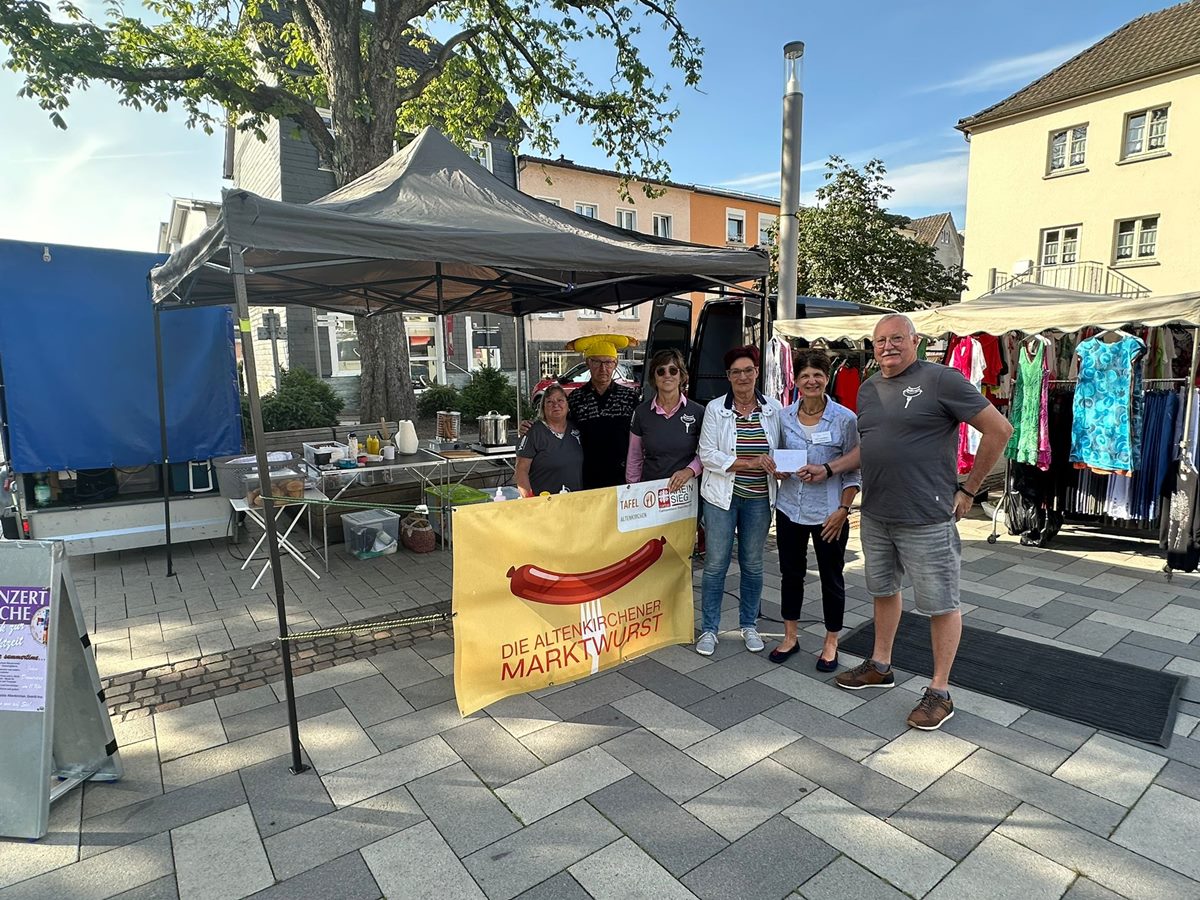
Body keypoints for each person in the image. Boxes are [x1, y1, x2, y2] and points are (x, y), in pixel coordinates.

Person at [801, 314, 1012, 730]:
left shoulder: (942, 379)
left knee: (940, 604)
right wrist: (831, 469)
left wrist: (969, 490)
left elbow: (999, 429)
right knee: (883, 589)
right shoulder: (867, 389)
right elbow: (873, 448)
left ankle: (939, 691)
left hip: (926, 516)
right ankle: (880, 665)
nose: (887, 346)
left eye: (896, 338)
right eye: (880, 341)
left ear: (915, 340)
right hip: (877, 514)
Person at [771, 349, 860, 671]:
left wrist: (843, 509)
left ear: (827, 378)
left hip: (829, 513)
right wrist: (777, 469)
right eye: (805, 375)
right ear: (795, 379)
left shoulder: (845, 419)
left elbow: (855, 469)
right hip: (790, 509)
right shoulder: (782, 417)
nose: (811, 381)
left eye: (817, 375)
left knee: (831, 576)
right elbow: (775, 457)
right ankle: (790, 636)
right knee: (790, 574)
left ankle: (831, 640)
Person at [695, 346, 783, 656]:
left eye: (748, 370)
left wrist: (780, 467)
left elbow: (782, 452)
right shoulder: (715, 409)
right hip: (721, 499)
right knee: (715, 565)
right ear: (728, 377)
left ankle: (749, 625)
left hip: (759, 500)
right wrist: (751, 463)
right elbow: (707, 455)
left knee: (753, 565)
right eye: (736, 372)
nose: (742, 377)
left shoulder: (774, 409)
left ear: (757, 372)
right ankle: (709, 629)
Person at [626, 348, 704, 491]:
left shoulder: (698, 412)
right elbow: (634, 456)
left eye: (673, 370)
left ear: (681, 375)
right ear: (654, 377)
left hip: (687, 493)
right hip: (651, 492)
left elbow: (707, 452)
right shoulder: (641, 413)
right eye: (661, 371)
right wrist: (634, 490)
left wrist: (690, 471)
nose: (667, 375)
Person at [569, 339, 641, 488]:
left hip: (622, 475)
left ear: (615, 364)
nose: (603, 368)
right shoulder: (576, 398)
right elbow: (559, 427)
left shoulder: (629, 396)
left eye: (608, 363)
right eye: (597, 362)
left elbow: (641, 433)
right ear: (588, 363)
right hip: (587, 473)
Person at [515, 385, 583, 496]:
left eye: (560, 400)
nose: (556, 405)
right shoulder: (533, 432)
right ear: (543, 407)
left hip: (575, 502)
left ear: (568, 405)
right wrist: (530, 500)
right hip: (544, 504)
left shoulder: (577, 429)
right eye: (549, 402)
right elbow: (521, 471)